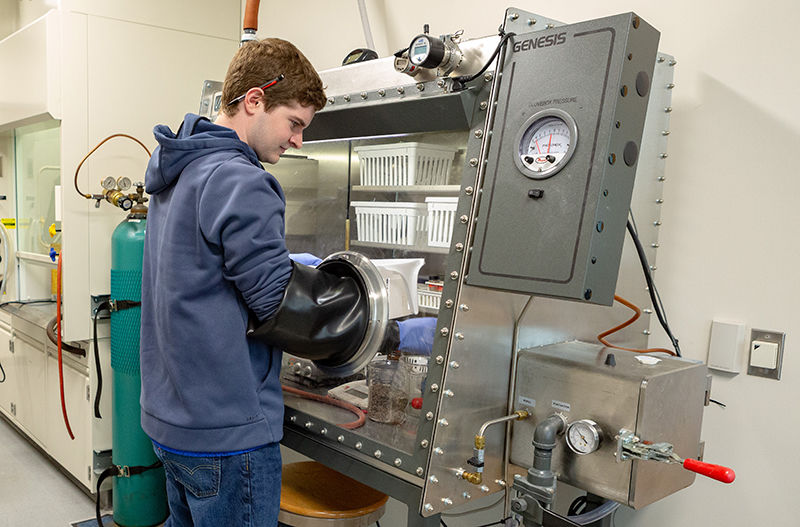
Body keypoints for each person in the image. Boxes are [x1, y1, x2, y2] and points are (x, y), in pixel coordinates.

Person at [139, 38, 327, 526]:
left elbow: (204, 271)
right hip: (226, 432)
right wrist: (382, 330)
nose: (298, 141)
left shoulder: (179, 168)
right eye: (295, 124)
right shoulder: (241, 179)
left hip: (171, 419)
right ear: (255, 101)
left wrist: (282, 263)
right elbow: (277, 308)